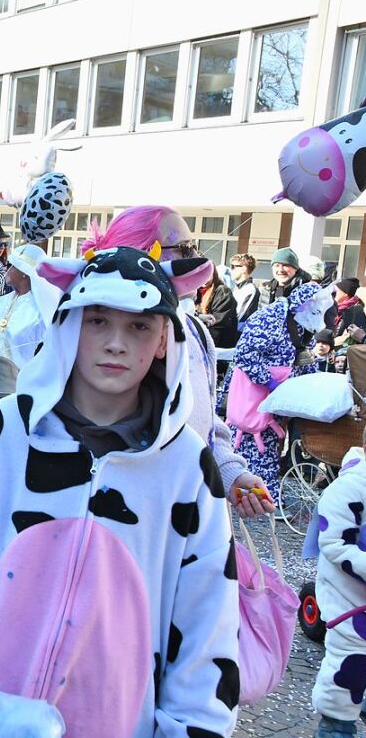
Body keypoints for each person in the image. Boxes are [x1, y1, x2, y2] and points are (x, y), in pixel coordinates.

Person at [0, 245, 239, 737]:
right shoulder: (4, 434)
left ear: (164, 338)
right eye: (98, 320)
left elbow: (207, 624)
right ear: (69, 323)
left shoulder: (186, 468)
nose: (116, 343)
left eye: (139, 325)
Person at [80, 205, 273, 517]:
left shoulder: (195, 331)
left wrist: (232, 474)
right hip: (131, 514)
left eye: (194, 246)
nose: (196, 257)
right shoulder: (102, 339)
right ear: (142, 254)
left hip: (190, 512)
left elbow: (206, 422)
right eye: (184, 248)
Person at [227, 282, 332, 499]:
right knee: (252, 446)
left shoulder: (300, 320)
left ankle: (259, 494)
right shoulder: (269, 317)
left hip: (276, 395)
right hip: (252, 395)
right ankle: (257, 496)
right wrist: (269, 381)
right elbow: (245, 354)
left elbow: (302, 355)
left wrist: (315, 383)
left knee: (267, 446)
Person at [310, 436, 366, 738]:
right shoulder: (350, 487)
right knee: (346, 676)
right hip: (352, 607)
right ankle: (336, 726)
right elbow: (334, 544)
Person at [0, 244, 57, 369]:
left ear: (24, 272)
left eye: (11, 266)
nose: (6, 270)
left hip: (17, 380)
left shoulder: (39, 310)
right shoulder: (1, 301)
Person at [196, 264, 239, 348]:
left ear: (214, 274)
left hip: (218, 347)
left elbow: (217, 325)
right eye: (201, 274)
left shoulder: (222, 292)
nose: (205, 279)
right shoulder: (195, 291)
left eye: (208, 274)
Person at [228, 252, 260, 328]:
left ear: (243, 269)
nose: (230, 270)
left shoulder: (250, 289)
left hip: (238, 334)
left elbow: (240, 315)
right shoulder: (235, 288)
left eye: (233, 267)